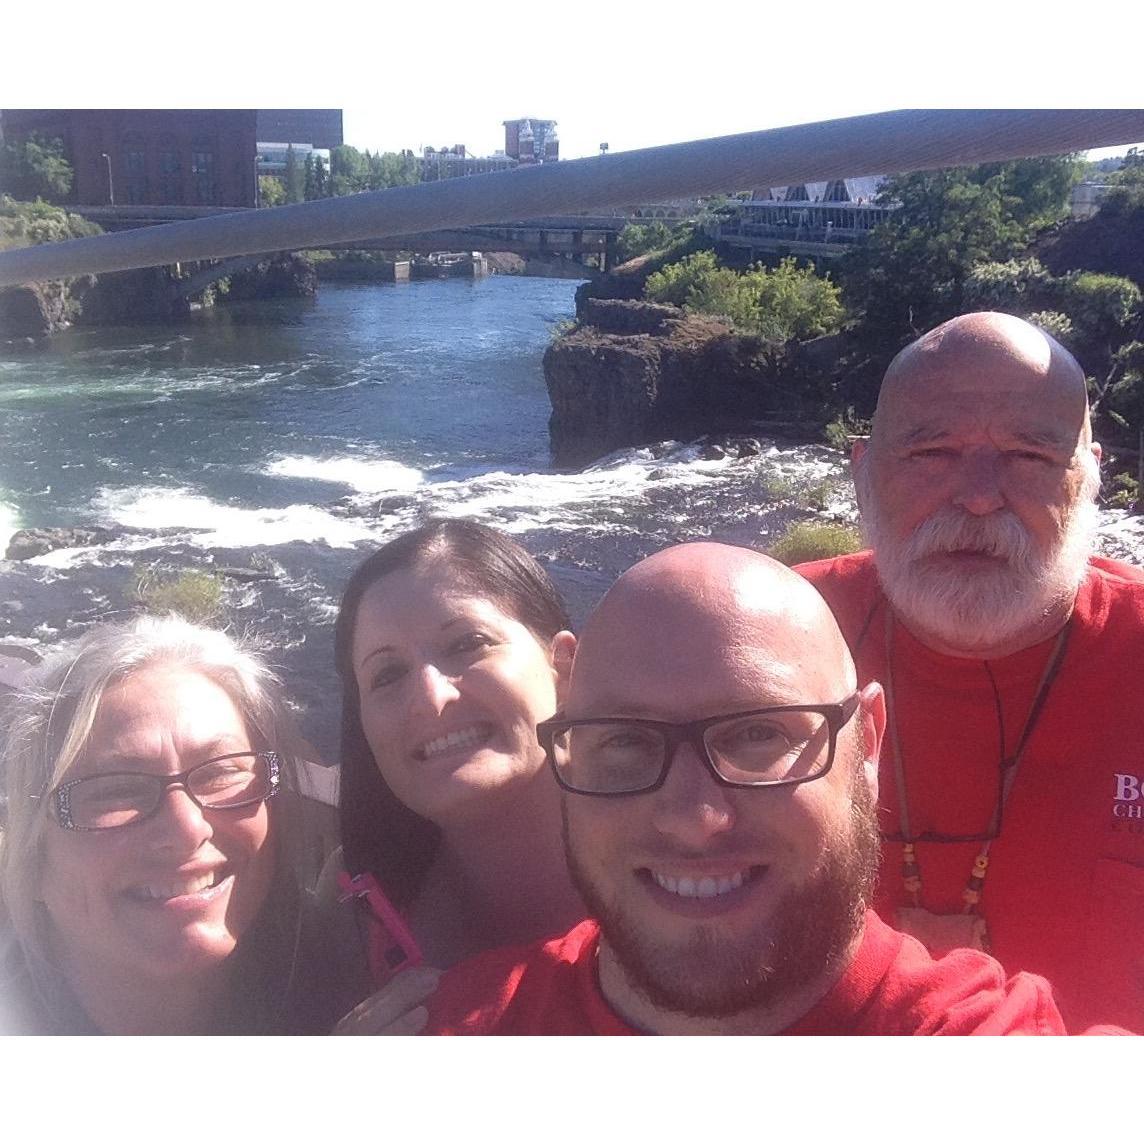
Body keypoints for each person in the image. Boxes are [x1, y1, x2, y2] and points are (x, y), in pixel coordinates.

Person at [423, 543, 1073, 1034]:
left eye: (758, 735)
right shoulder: (468, 1026)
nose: (692, 818)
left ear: (867, 747)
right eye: (624, 740)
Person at [796, 311, 1144, 1032]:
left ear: (1089, 478)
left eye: (1029, 457)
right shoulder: (769, 640)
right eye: (930, 454)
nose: (979, 495)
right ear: (863, 469)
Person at [0, 613, 341, 1035]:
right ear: (33, 857)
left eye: (220, 772)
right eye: (116, 790)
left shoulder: (350, 980)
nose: (187, 830)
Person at [333, 519, 583, 981]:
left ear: (564, 667)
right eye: (387, 675)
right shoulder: (342, 937)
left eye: (468, 644)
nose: (431, 698)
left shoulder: (696, 862)